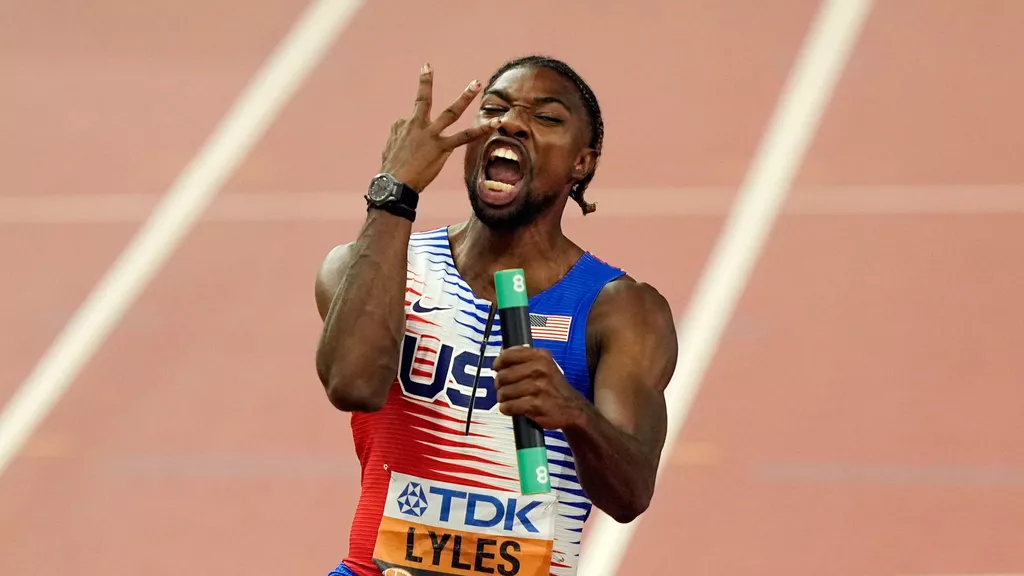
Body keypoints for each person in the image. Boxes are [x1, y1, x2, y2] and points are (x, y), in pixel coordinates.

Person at [314, 55, 678, 576]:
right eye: (493, 109)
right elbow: (353, 385)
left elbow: (630, 495)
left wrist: (574, 413)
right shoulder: (374, 270)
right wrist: (393, 194)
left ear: (582, 163)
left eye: (546, 117)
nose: (511, 123)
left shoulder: (619, 310)